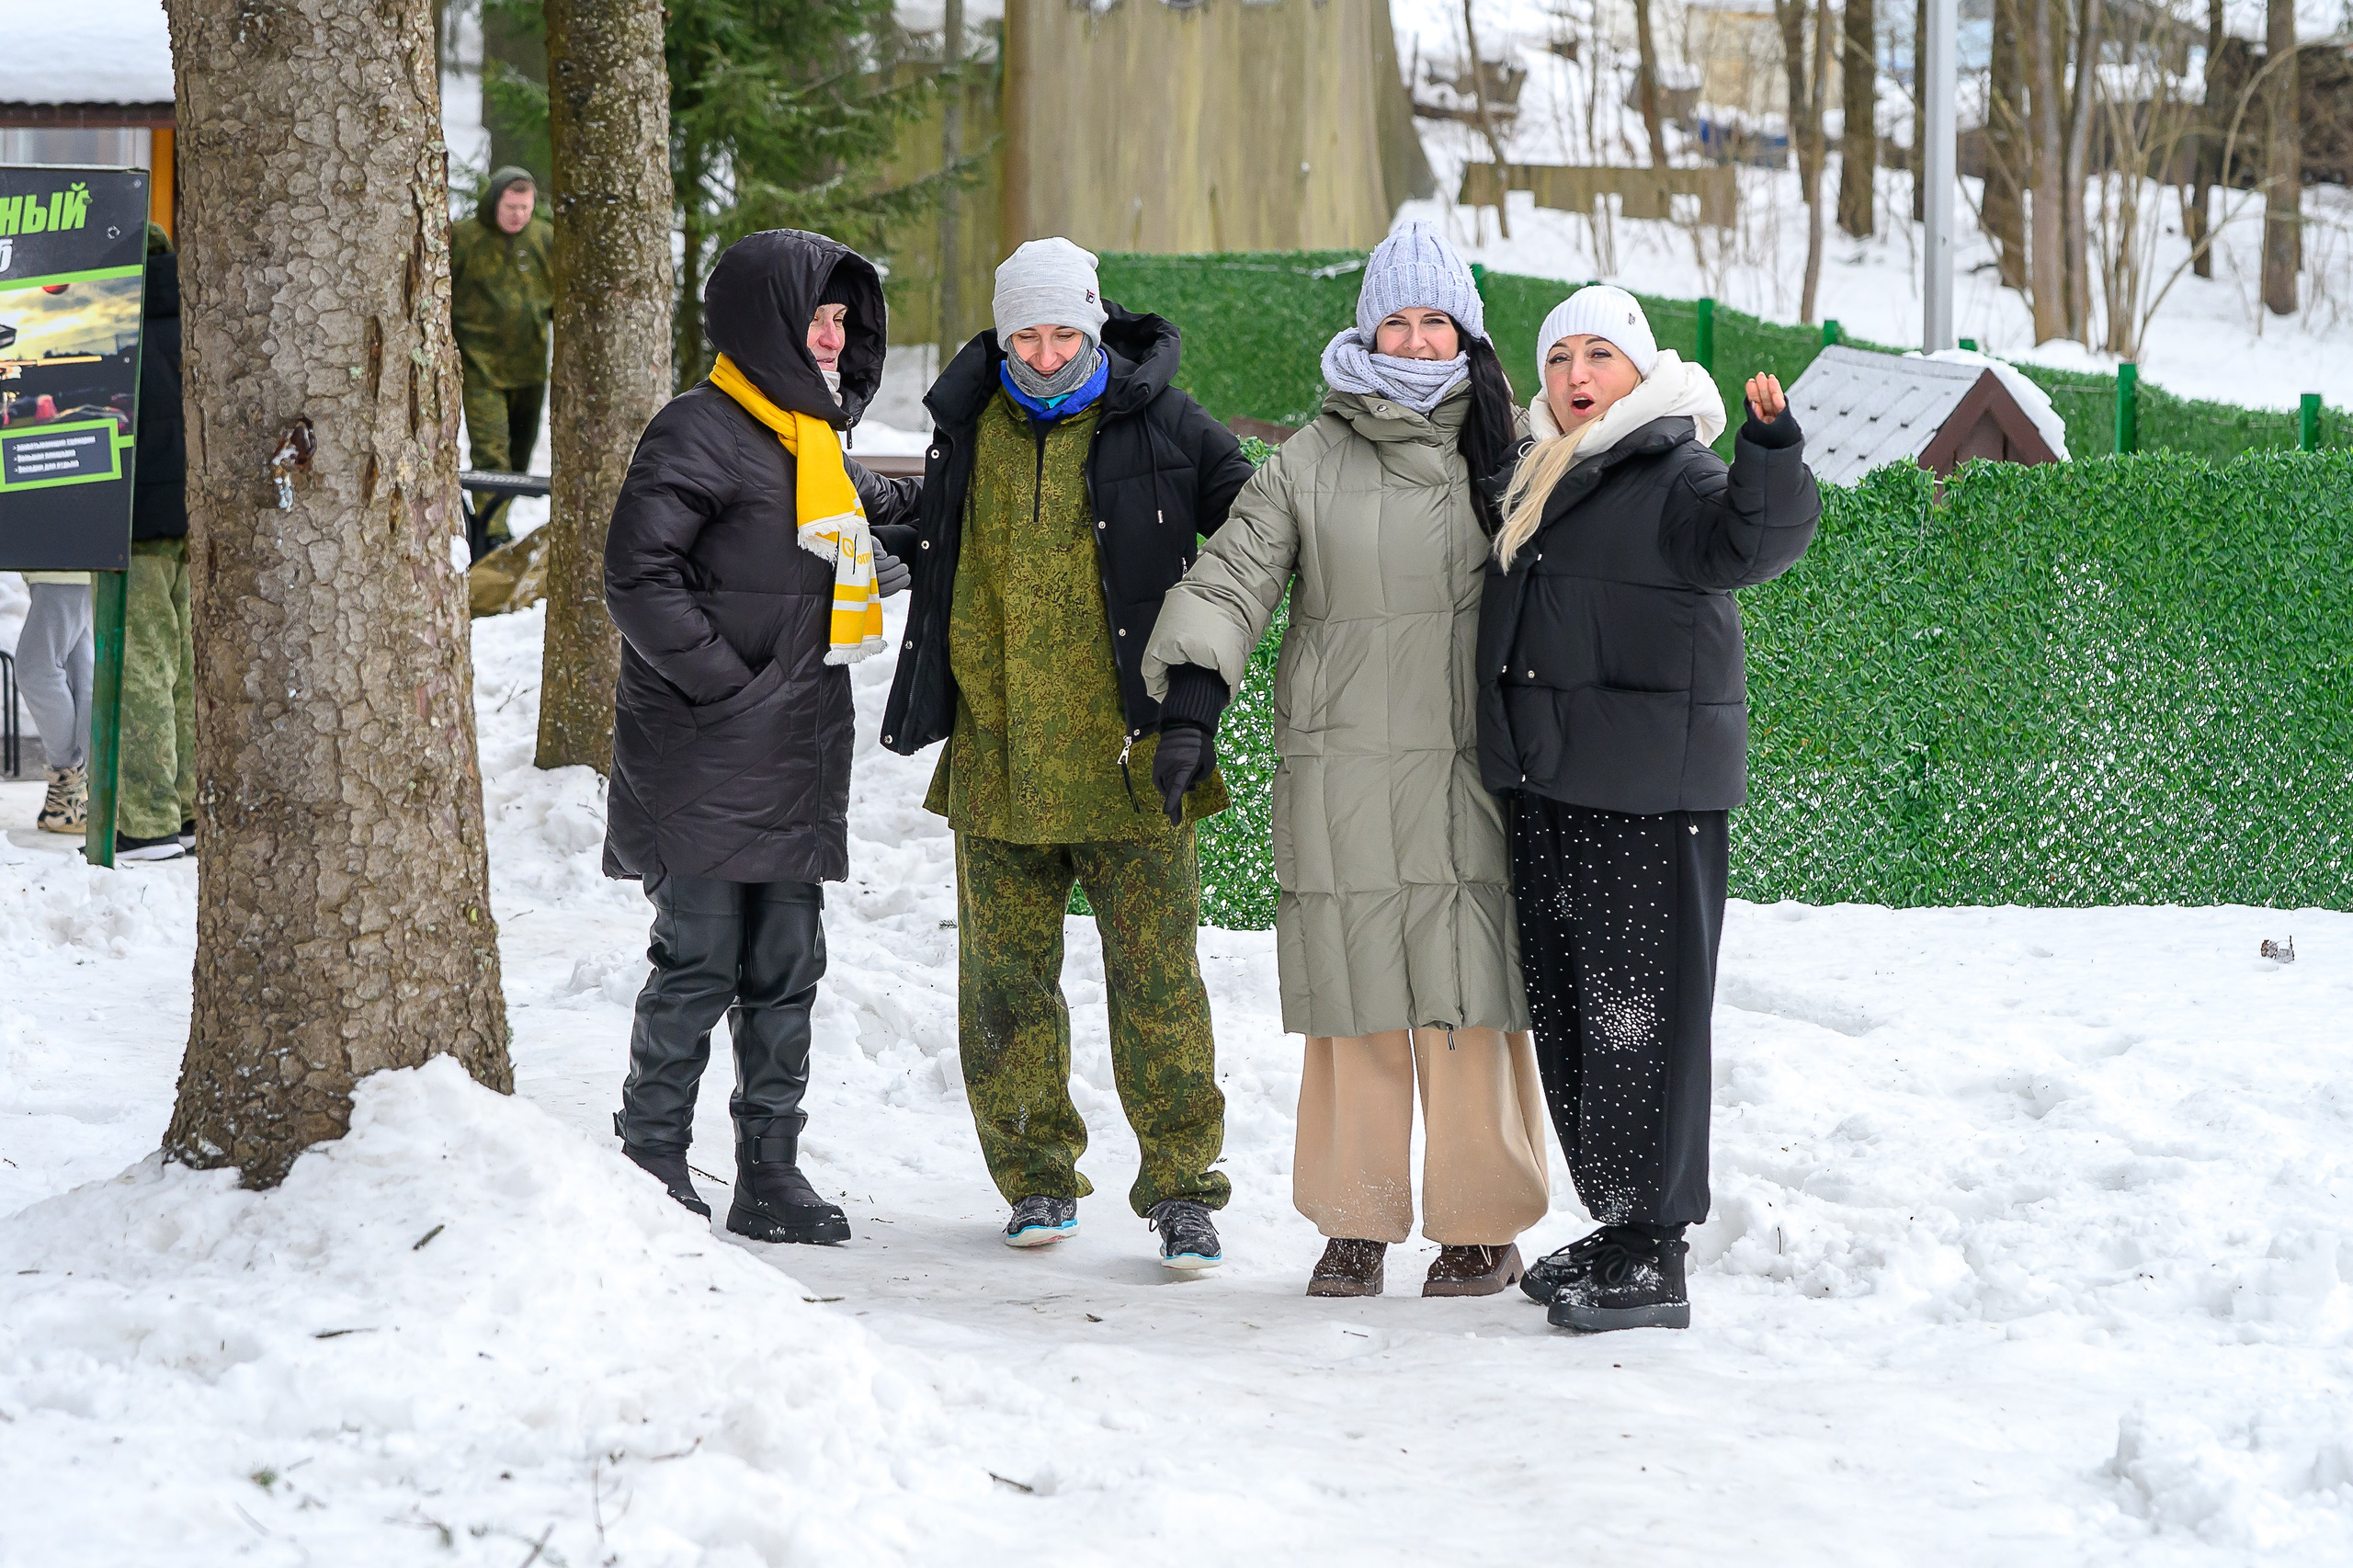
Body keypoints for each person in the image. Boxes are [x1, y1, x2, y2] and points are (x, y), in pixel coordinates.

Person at [1142, 223, 1548, 1300]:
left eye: (1435, 322)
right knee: (1357, 1005)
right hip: (1343, 767)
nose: (1415, 343)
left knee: (1469, 1005)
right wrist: (1190, 702)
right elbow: (1232, 576)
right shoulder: (1307, 461)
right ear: (1365, 330)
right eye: (1395, 322)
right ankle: (1354, 1223)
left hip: (1471, 766)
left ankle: (1481, 1226)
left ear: (1464, 333)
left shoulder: (1514, 453)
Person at [879, 238, 1256, 1271]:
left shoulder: (1167, 425)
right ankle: (1035, 1174)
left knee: (1158, 983)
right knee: (1002, 985)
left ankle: (1183, 1187)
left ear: (1093, 326)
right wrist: (900, 524)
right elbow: (956, 542)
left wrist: (1192, 702)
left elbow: (1256, 538)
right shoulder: (970, 426)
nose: (1044, 356)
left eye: (1062, 333)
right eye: (1024, 336)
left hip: (1134, 761)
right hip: (998, 753)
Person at [1479, 288, 1820, 1332]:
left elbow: (1749, 544)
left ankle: (1657, 1251)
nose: (1575, 375)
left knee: (1643, 1026)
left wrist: (1770, 454)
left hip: (1644, 798)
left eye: (1599, 356)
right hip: (1552, 790)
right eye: (1559, 358)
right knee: (1580, 1024)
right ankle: (1620, 1226)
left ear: (1639, 368)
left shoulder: (1679, 471)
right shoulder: (1544, 469)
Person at [603, 230, 918, 1244]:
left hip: (794, 747)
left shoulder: (810, 439)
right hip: (706, 745)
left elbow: (865, 525)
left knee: (787, 962)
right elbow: (636, 578)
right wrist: (730, 686)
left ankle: (768, 1170)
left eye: (842, 321)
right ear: (766, 321)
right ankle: (650, 1156)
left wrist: (937, 507)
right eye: (816, 318)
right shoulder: (699, 428)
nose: (831, 337)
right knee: (698, 959)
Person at [117, 223, 196, 864]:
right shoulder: (202, 318)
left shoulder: (107, 327)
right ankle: (194, 807)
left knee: (139, 663)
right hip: (197, 518)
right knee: (190, 666)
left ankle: (145, 821)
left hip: (133, 520)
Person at [449, 166, 554, 552]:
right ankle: (492, 533)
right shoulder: (464, 238)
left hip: (529, 369)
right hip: (480, 367)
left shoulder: (544, 239)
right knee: (490, 450)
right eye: (511, 206)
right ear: (495, 202)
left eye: (525, 208)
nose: (518, 215)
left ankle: (494, 521)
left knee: (517, 456)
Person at [17, 568, 91, 835]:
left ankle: (71, 788)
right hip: (63, 559)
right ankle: (100, 795)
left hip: (64, 562)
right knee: (83, 675)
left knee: (37, 669)